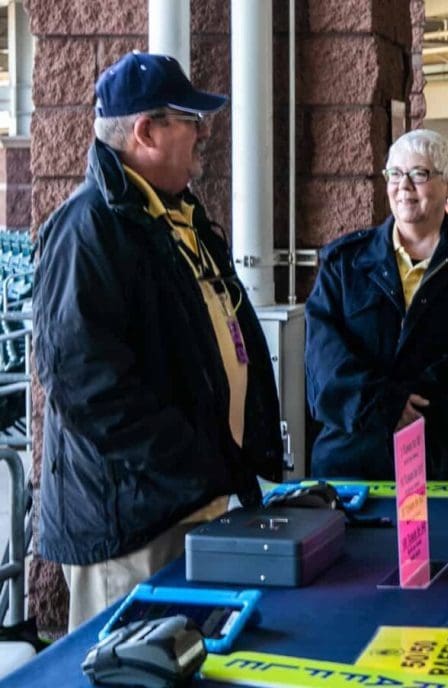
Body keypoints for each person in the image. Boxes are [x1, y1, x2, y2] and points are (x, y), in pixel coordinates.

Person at [32, 52, 283, 630]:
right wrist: (198, 463)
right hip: (134, 526)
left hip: (187, 503)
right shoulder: (87, 229)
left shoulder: (175, 215)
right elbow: (90, 389)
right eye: (190, 119)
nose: (204, 134)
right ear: (146, 131)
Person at [305, 129, 448, 480]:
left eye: (420, 174)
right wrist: (385, 406)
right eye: (395, 174)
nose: (404, 186)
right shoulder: (344, 264)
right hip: (357, 460)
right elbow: (324, 360)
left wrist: (416, 404)